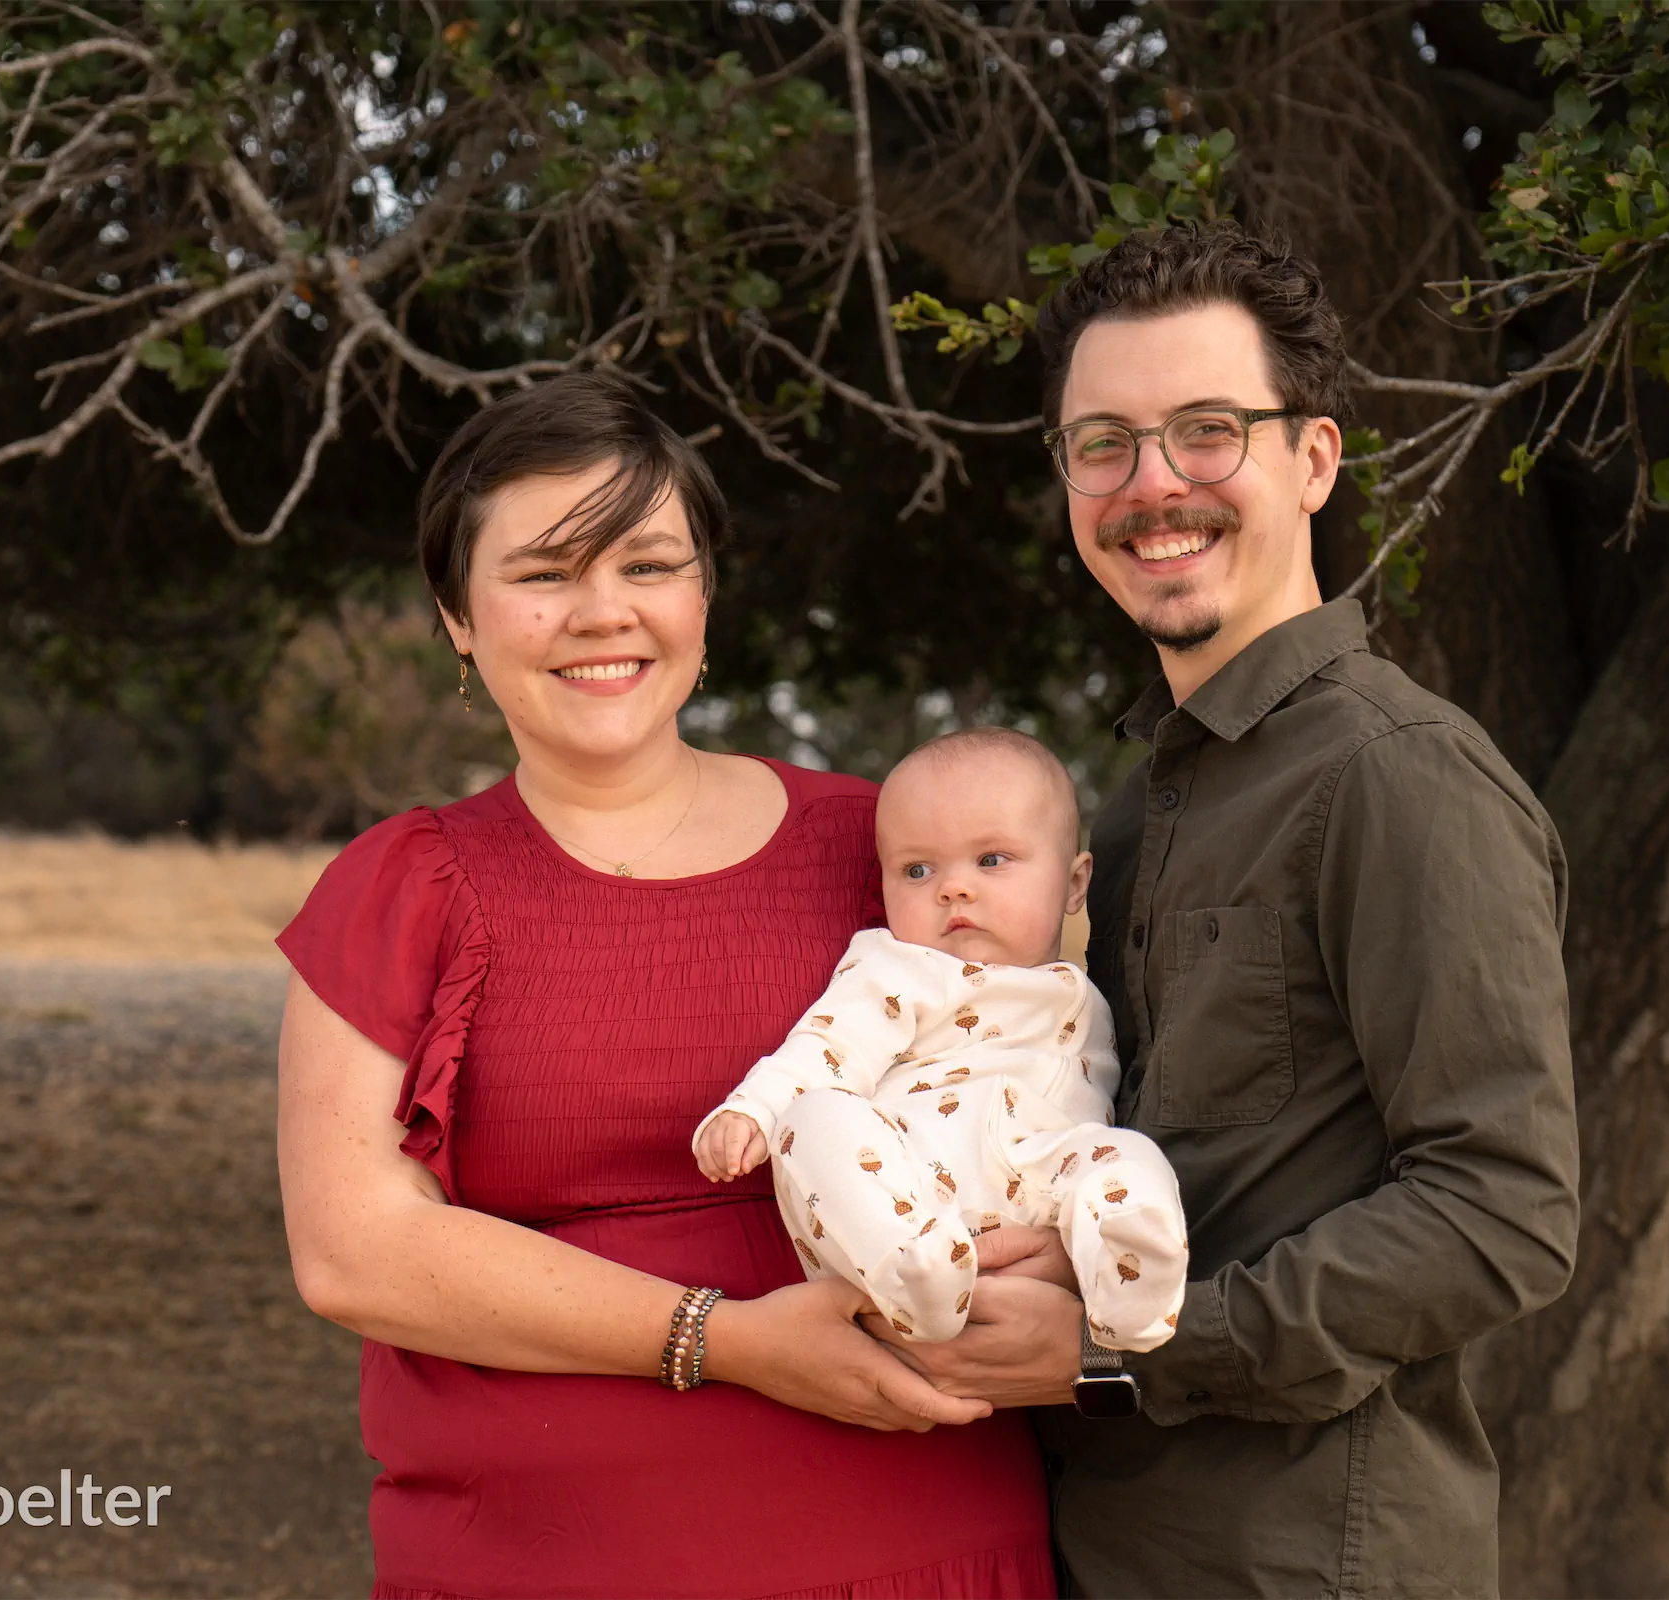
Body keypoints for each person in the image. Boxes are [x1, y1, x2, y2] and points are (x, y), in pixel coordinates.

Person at [877, 223, 1581, 1598]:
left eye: (1208, 431)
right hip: (1101, 1543)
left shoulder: (1399, 777)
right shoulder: (1129, 814)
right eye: (1104, 444)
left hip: (1307, 1559)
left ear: (1312, 460)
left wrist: (1126, 1345)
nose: (1154, 486)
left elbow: (1503, 1210)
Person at [274, 371, 1057, 1600]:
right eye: (544, 573)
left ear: (703, 595)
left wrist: (1061, 1289)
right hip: (531, 1572)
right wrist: (726, 1340)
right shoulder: (401, 886)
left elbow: (1047, 1092)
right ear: (458, 615)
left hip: (919, 1553)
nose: (604, 613)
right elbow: (353, 1251)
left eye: (647, 564)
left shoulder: (890, 851)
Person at [693, 727, 1188, 1351]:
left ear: (1073, 884)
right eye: (917, 870)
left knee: (1125, 1157)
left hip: (1045, 1172)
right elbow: (831, 1045)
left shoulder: (1091, 987)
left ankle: (1133, 1290)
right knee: (813, 1117)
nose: (953, 888)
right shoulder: (896, 967)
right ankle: (912, 1270)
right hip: (909, 1182)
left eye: (991, 860)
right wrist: (756, 1109)